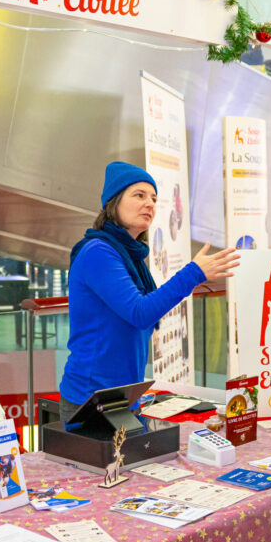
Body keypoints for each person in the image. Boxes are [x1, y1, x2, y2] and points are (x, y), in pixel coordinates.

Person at [58, 161, 241, 424]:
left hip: (123, 396)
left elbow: (138, 313)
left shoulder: (128, 255)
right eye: (139, 195)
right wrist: (194, 273)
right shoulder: (98, 252)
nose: (150, 204)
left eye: (154, 198)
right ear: (114, 202)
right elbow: (139, 312)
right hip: (90, 399)